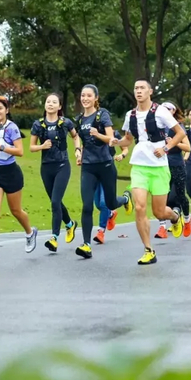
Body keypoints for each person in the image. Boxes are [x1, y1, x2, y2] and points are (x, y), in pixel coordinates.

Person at [112, 79, 187, 265]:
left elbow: (180, 133)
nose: (138, 91)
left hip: (159, 167)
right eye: (136, 88)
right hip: (139, 166)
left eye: (142, 88)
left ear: (150, 91)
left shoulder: (160, 111)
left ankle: (175, 217)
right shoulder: (130, 115)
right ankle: (148, 250)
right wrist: (116, 142)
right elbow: (128, 140)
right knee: (139, 207)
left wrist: (166, 148)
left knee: (159, 212)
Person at [74, 84, 133, 259]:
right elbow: (80, 140)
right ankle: (86, 245)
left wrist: (98, 134)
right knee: (87, 205)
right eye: (83, 95)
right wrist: (78, 152)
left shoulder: (102, 115)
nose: (85, 98)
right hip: (88, 167)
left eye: (89, 95)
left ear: (96, 98)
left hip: (106, 165)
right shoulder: (80, 119)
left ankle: (125, 198)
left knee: (111, 203)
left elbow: (111, 139)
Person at [0, 95, 37, 263]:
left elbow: (20, 151)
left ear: (6, 110)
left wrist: (0, 146)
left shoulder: (12, 128)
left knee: (15, 211)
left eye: (0, 108)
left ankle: (30, 232)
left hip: (11, 173)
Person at [29, 93, 80, 252]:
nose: (50, 104)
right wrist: (42, 146)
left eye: (54, 102)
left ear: (59, 106)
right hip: (46, 167)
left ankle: (54, 238)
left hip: (62, 166)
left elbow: (75, 136)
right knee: (55, 201)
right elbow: (31, 147)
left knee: (55, 202)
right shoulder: (38, 124)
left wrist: (78, 150)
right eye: (48, 101)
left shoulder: (65, 123)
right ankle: (70, 224)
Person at [156, 102, 191, 238]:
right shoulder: (157, 126)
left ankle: (187, 220)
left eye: (168, 109)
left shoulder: (178, 127)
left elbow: (188, 148)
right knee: (161, 196)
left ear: (173, 111)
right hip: (161, 165)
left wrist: (174, 142)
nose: (164, 111)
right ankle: (162, 227)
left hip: (177, 165)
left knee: (179, 196)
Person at [93, 130, 129, 245]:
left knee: (104, 203)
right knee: (98, 204)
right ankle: (112, 212)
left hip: (108, 170)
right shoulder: (91, 133)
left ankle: (101, 232)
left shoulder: (114, 134)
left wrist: (122, 155)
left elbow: (125, 148)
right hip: (93, 170)